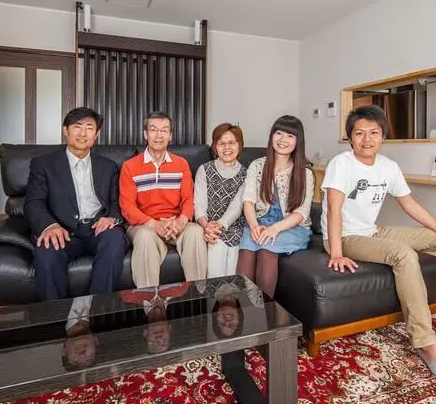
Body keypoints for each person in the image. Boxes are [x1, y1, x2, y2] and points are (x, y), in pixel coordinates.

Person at [321, 104, 436, 385]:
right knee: (403, 253)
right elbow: (333, 209)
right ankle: (424, 341)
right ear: (350, 138)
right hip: (345, 237)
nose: (367, 139)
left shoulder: (389, 167)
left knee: (434, 238)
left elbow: (409, 204)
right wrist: (336, 253)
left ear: (383, 136)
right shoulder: (341, 163)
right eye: (359, 133)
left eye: (373, 133)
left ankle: (427, 306)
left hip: (371, 232)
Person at [25, 107, 128, 301]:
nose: (83, 133)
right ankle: (57, 315)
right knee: (47, 249)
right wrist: (50, 226)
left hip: (97, 228)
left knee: (114, 240)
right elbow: (33, 202)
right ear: (66, 130)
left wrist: (111, 219)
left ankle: (96, 310)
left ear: (96, 135)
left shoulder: (108, 166)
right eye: (77, 126)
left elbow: (117, 202)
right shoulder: (43, 164)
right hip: (62, 230)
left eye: (89, 128)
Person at [119, 111, 207, 287]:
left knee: (196, 232)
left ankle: (198, 295)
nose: (159, 135)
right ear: (146, 134)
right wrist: (154, 224)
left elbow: (188, 198)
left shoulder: (181, 164)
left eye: (164, 130)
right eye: (153, 130)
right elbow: (127, 206)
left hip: (176, 223)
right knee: (145, 237)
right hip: (144, 225)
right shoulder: (130, 166)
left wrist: (181, 221)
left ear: (170, 135)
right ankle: (150, 300)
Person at [238, 115, 314, 297]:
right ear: (271, 136)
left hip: (291, 227)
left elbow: (301, 212)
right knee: (246, 253)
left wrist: (274, 229)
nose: (282, 140)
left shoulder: (305, 172)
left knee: (266, 249)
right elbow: (248, 200)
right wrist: (254, 226)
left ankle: (264, 311)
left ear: (298, 141)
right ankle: (244, 310)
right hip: (259, 222)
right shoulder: (257, 165)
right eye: (278, 133)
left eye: (290, 135)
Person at [194, 123, 247, 278]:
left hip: (235, 227)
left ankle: (230, 293)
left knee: (233, 265)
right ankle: (216, 293)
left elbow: (237, 207)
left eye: (231, 143)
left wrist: (220, 224)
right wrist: (206, 226)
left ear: (239, 145)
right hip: (209, 228)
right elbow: (199, 205)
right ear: (215, 147)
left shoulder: (247, 173)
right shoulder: (205, 169)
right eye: (221, 143)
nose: (227, 148)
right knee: (216, 245)